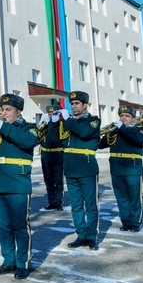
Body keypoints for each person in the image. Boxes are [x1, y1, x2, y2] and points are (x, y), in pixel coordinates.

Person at [0, 94, 38, 280]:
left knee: (20, 226)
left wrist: (3, 126)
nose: (3, 113)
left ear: (18, 111)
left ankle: (22, 263)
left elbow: (29, 142)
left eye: (8, 110)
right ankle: (9, 261)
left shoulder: (29, 128)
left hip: (17, 184)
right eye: (2, 110)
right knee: (3, 226)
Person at [59, 91, 101, 249]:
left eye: (77, 103)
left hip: (87, 167)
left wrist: (67, 120)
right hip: (70, 168)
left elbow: (84, 133)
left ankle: (91, 236)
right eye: (72, 103)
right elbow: (60, 141)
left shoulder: (93, 121)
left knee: (91, 205)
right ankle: (81, 234)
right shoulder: (67, 122)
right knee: (76, 205)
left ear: (85, 105)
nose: (74, 106)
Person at [98, 105, 143, 231]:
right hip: (116, 167)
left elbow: (139, 140)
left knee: (134, 197)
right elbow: (101, 145)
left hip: (132, 167)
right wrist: (111, 132)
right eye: (121, 116)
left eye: (127, 116)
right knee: (121, 197)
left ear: (132, 118)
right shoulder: (115, 129)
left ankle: (135, 222)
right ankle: (126, 222)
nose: (124, 118)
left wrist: (123, 128)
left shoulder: (139, 129)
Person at [38, 105, 65, 211]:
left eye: (53, 114)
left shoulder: (60, 125)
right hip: (45, 155)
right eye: (49, 114)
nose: (50, 116)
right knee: (48, 180)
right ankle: (51, 202)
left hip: (57, 154)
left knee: (58, 181)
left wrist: (53, 123)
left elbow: (55, 138)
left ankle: (58, 202)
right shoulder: (44, 124)